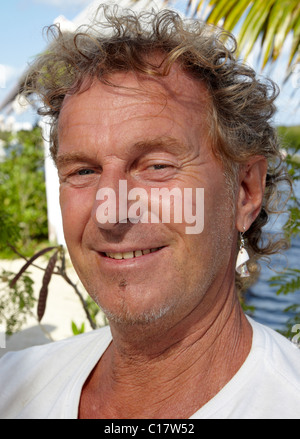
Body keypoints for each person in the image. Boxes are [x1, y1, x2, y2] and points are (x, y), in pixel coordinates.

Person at [0, 5, 299, 420]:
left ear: (245, 192)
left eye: (157, 166)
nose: (110, 212)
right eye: (83, 171)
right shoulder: (13, 386)